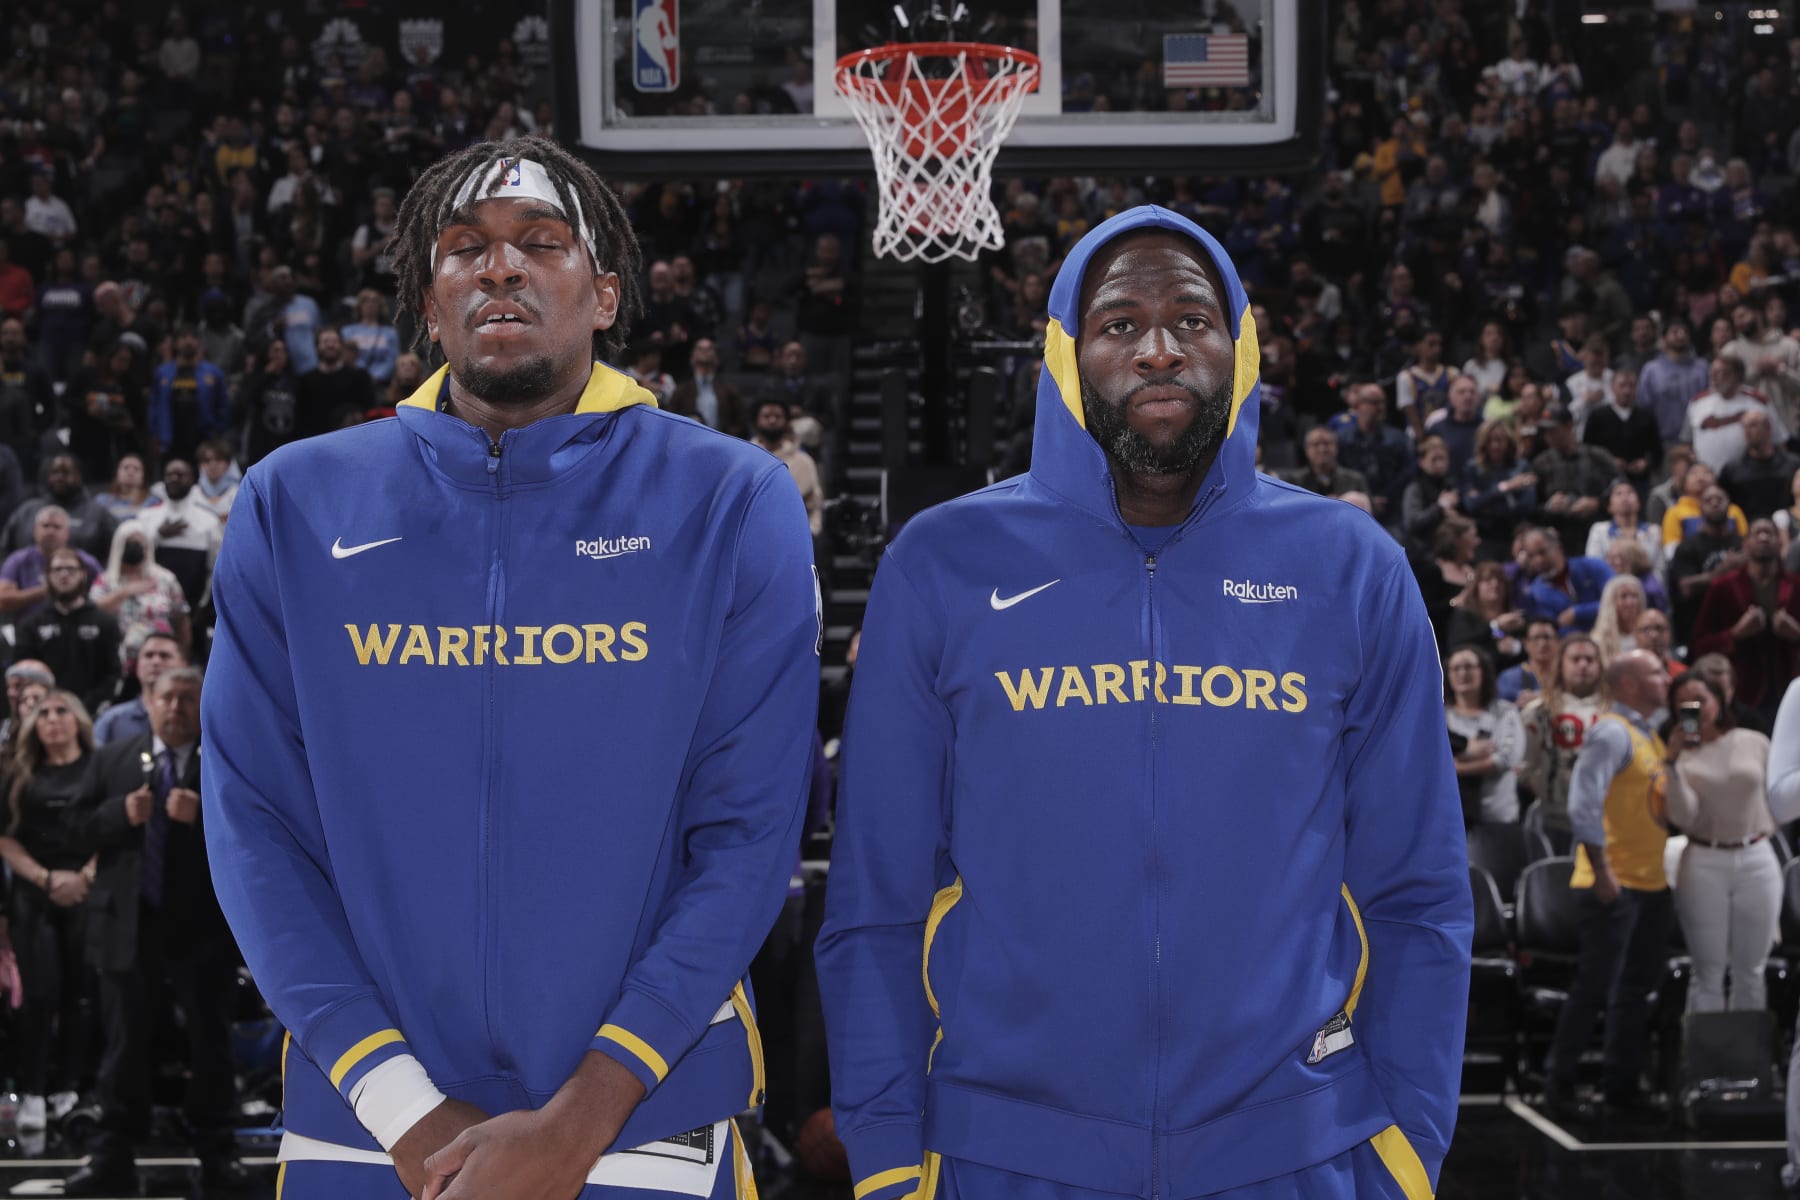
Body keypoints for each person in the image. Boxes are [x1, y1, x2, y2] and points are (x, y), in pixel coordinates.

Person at [204, 137, 816, 1200]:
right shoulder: (292, 502)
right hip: (368, 1123)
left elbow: (750, 835)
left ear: (605, 295)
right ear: (429, 305)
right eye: (464, 248)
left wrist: (584, 1114)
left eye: (541, 242)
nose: (501, 267)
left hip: (641, 1118)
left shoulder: (730, 499)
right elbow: (253, 826)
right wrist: (402, 1107)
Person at [816, 207, 1471, 1200]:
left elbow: (1418, 893)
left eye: (1192, 320)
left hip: (1292, 1156)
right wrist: (888, 1162)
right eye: (1119, 323)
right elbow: (876, 901)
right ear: (1066, 355)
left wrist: (1407, 1155)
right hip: (1005, 1158)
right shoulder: (941, 564)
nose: (1159, 349)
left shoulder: (1352, 570)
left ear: (1241, 347)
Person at [63, 667, 246, 1194]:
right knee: (122, 1047)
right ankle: (112, 1156)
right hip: (128, 927)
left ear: (202, 704)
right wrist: (119, 814)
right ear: (149, 701)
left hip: (202, 928)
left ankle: (218, 1154)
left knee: (211, 1044)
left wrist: (205, 814)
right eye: (167, 697)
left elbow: (257, 833)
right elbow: (72, 830)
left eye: (187, 698)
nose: (176, 707)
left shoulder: (225, 760)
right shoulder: (113, 757)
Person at [1544, 650, 1674, 1117]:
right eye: (1657, 671)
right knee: (1596, 985)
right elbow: (1583, 803)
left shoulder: (1650, 736)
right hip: (1612, 881)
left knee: (1634, 988)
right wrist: (1602, 870)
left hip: (1650, 881)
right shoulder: (1611, 732)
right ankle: (1558, 1081)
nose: (1667, 677)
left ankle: (1621, 1084)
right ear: (1631, 684)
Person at [0, 690, 97, 1133]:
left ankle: (69, 1087)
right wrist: (45, 878)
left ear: (77, 719)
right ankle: (34, 1090)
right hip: (34, 894)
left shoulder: (99, 768)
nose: (52, 719)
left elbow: (113, 828)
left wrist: (84, 877)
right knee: (39, 995)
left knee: (81, 994)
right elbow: (5, 838)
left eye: (61, 711)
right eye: (44, 714)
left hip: (86, 892)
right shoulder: (21, 775)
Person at [1662, 670, 1780, 1014]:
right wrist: (1671, 763)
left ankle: (1749, 1047)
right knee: (1708, 971)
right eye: (1683, 702)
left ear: (1719, 700)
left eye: (1700, 699)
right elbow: (1683, 816)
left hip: (1756, 854)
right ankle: (1705, 1049)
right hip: (1703, 858)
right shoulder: (1679, 754)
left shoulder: (1752, 741)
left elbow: (1777, 794)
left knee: (1751, 971)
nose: (1694, 707)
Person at [1690, 518, 1800, 722]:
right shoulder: (1722, 587)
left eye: (1769, 533)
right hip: (1741, 696)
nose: (1763, 538)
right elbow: (1699, 645)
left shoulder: (1796, 585)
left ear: (1780, 543)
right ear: (1745, 544)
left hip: (1790, 691)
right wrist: (1735, 634)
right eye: (1757, 533)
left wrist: (1796, 634)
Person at [1521, 634, 1606, 854]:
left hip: (1606, 816)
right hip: (1555, 817)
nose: (1583, 665)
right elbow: (1525, 765)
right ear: (1561, 664)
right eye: (1575, 659)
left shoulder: (1615, 711)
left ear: (1600, 665)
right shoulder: (1539, 712)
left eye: (1590, 659)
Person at [14, 547, 123, 712]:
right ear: (47, 576)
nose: (64, 574)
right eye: (57, 569)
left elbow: (113, 674)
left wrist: (84, 708)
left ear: (83, 574)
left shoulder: (106, 623)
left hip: (92, 712)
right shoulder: (30, 625)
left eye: (71, 569)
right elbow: (25, 674)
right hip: (43, 711)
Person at [1445, 646, 1525, 824]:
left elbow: (1505, 759)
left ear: (1483, 671)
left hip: (1499, 816)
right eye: (1456, 668)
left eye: (1469, 666)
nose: (1463, 673)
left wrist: (1456, 766)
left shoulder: (1505, 712)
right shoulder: (1439, 716)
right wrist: (1470, 752)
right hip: (1453, 817)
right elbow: (1431, 762)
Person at [89, 519, 191, 658]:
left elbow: (181, 617)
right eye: (129, 543)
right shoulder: (105, 581)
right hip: (117, 655)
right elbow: (92, 612)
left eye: (139, 543)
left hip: (159, 654)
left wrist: (184, 654)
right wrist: (123, 593)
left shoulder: (165, 579)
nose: (135, 547)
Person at [1, 453, 119, 561]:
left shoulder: (99, 514)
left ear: (78, 476)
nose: (59, 477)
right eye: (55, 472)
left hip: (87, 576)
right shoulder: (25, 512)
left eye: (65, 472)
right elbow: (4, 550)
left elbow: (118, 551)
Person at [1686, 354, 1786, 474]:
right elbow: (1686, 441)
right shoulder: (1697, 402)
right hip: (1707, 476)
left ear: (1737, 375)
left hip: (1748, 475)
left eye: (1721, 373)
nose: (1714, 377)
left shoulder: (1758, 401)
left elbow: (1778, 441)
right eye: (1712, 373)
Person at [0, 504, 106, 616]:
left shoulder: (85, 561)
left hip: (77, 622)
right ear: (35, 530)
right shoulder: (18, 559)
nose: (50, 531)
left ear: (67, 533)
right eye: (45, 526)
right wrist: (48, 589)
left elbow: (105, 596)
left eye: (57, 527)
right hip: (28, 624)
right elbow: (2, 600)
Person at [148, 458, 223, 612]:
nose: (174, 479)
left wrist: (203, 605)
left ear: (192, 479)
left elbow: (215, 569)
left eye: (180, 475)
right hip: (152, 607)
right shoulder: (147, 517)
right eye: (169, 475)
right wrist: (157, 536)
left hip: (195, 607)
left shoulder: (209, 522)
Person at [148, 327, 230, 467]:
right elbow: (154, 405)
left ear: (199, 342)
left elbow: (223, 406)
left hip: (203, 438)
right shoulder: (162, 373)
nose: (188, 341)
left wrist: (217, 431)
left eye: (193, 337)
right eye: (183, 337)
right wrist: (154, 434)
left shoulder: (214, 373)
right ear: (175, 343)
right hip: (171, 439)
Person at [1460, 420, 1536, 559]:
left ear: (1508, 441)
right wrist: (1505, 487)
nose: (1495, 445)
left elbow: (1527, 505)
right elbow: (1471, 504)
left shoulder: (1521, 467)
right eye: (1490, 440)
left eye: (1500, 440)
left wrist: (1487, 501)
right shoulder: (1473, 468)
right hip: (1485, 537)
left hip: (1514, 534)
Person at [750, 395, 824, 538]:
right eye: (766, 416)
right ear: (756, 420)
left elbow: (815, 505)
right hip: (752, 536)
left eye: (778, 416)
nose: (772, 420)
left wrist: (810, 533)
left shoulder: (804, 461)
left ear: (787, 421)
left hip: (794, 537)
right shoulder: (745, 459)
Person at [93, 632, 185, 745]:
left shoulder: (195, 718)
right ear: (137, 666)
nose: (155, 662)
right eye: (148, 655)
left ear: (184, 664)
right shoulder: (111, 720)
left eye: (164, 656)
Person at [1581, 369, 1661, 494]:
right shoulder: (1598, 416)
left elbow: (1657, 449)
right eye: (1622, 386)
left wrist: (1646, 463)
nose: (1627, 391)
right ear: (1612, 388)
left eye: (1631, 386)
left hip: (1640, 480)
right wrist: (1609, 461)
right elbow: (1587, 448)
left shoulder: (1646, 416)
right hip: (1606, 480)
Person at [1520, 526, 1613, 633]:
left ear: (1558, 546)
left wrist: (1577, 613)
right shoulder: (1536, 593)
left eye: (1542, 552)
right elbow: (1555, 627)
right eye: (1531, 556)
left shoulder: (1594, 566)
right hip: (1574, 641)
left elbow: (1616, 601)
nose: (1538, 560)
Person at [1636, 317, 1709, 444]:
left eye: (1685, 332)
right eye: (1675, 332)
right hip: (1662, 439)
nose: (1681, 335)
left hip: (1699, 437)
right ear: (1664, 339)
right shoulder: (1651, 370)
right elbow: (1644, 407)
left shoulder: (1702, 367)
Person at [1721, 408, 1800, 519]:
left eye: (1753, 425)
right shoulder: (1732, 469)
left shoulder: (1792, 465)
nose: (1747, 431)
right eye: (1744, 426)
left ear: (1768, 428)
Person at [667, 338, 744, 436]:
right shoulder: (681, 390)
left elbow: (740, 422)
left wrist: (726, 438)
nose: (704, 351)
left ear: (716, 358)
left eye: (709, 348)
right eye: (700, 348)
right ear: (692, 357)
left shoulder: (729, 390)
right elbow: (671, 420)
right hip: (689, 439)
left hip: (721, 441)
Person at [1662, 463, 1749, 547]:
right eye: (1694, 473)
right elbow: (1672, 548)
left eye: (1706, 472)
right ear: (1684, 482)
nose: (1700, 477)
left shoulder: (1733, 510)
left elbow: (1745, 542)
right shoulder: (1674, 512)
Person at [1586, 478, 1663, 571]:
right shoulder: (1599, 530)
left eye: (1630, 492)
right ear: (1609, 506)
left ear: (1639, 503)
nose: (1625, 497)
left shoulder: (1654, 531)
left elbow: (1660, 569)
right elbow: (1593, 567)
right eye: (1618, 493)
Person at [1283, 426, 1368, 497]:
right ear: (1306, 450)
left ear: (1336, 448)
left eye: (1327, 443)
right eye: (1316, 444)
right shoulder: (1294, 482)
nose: (1322, 449)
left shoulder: (1355, 480)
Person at [343, 289, 401, 385]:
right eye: (366, 301)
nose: (370, 304)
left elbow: (393, 360)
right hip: (352, 379)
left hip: (380, 382)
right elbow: (344, 357)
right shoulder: (347, 332)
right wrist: (360, 375)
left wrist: (377, 376)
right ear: (359, 305)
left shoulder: (390, 333)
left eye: (374, 301)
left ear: (380, 306)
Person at [1590, 573, 1650, 665]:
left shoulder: (1649, 635)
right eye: (1623, 596)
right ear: (1611, 602)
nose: (1630, 602)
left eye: (1634, 596)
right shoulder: (1598, 641)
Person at [1501, 618, 1562, 706]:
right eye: (1536, 638)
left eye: (1547, 637)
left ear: (1558, 642)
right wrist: (1517, 706)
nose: (1542, 644)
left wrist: (1540, 698)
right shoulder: (1509, 678)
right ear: (1526, 644)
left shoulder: (1567, 674)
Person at [96, 453, 161, 522]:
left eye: (136, 469)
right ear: (117, 473)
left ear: (143, 476)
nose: (130, 472)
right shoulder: (102, 501)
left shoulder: (152, 501)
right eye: (126, 468)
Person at [191, 439, 241, 526]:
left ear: (228, 463)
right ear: (199, 465)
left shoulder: (239, 493)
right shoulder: (191, 493)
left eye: (218, 460)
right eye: (207, 461)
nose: (213, 465)